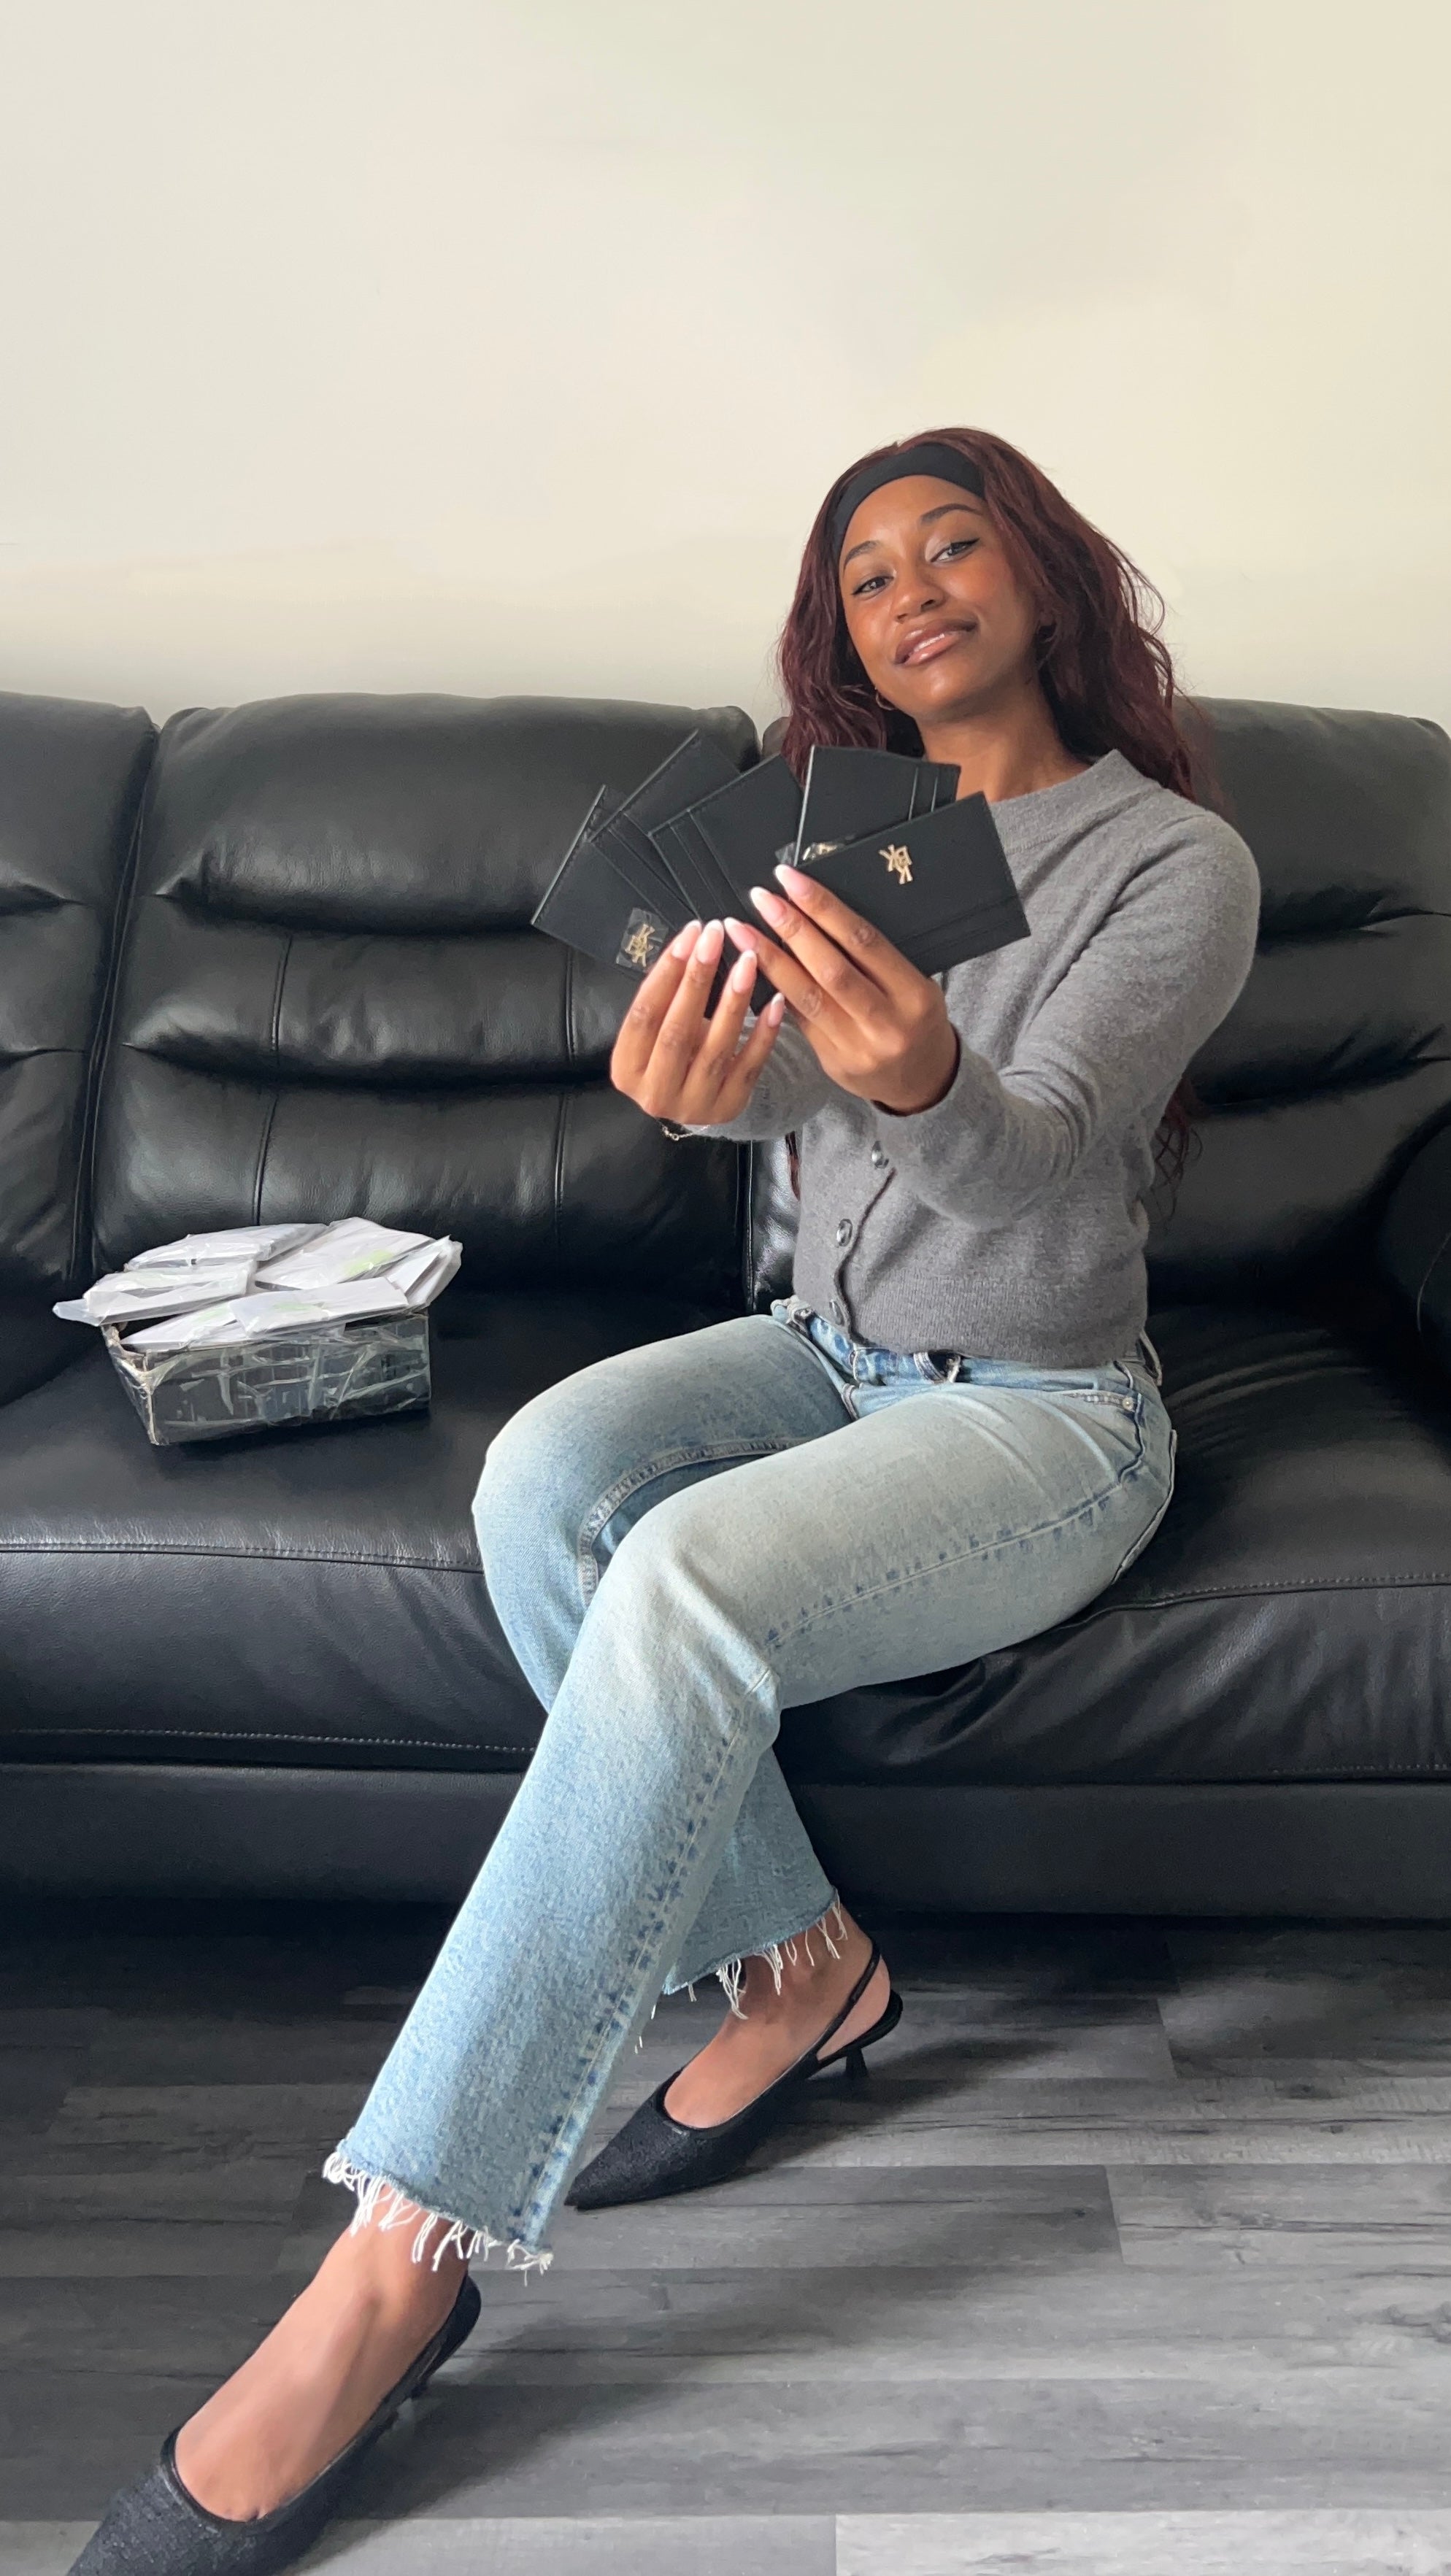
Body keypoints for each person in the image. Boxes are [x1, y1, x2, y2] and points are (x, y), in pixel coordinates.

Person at [73, 428, 1261, 2573]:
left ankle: (397, 2259)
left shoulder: (1171, 861)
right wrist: (698, 1078)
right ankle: (802, 1971)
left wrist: (915, 1068)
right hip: (826, 1353)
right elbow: (788, 1114)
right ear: (843, 639)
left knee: (687, 1578)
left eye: (956, 543)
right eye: (868, 571)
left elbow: (1033, 1158)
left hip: (1045, 1411)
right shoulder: (843, 837)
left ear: (1046, 583)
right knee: (543, 1476)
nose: (912, 586)